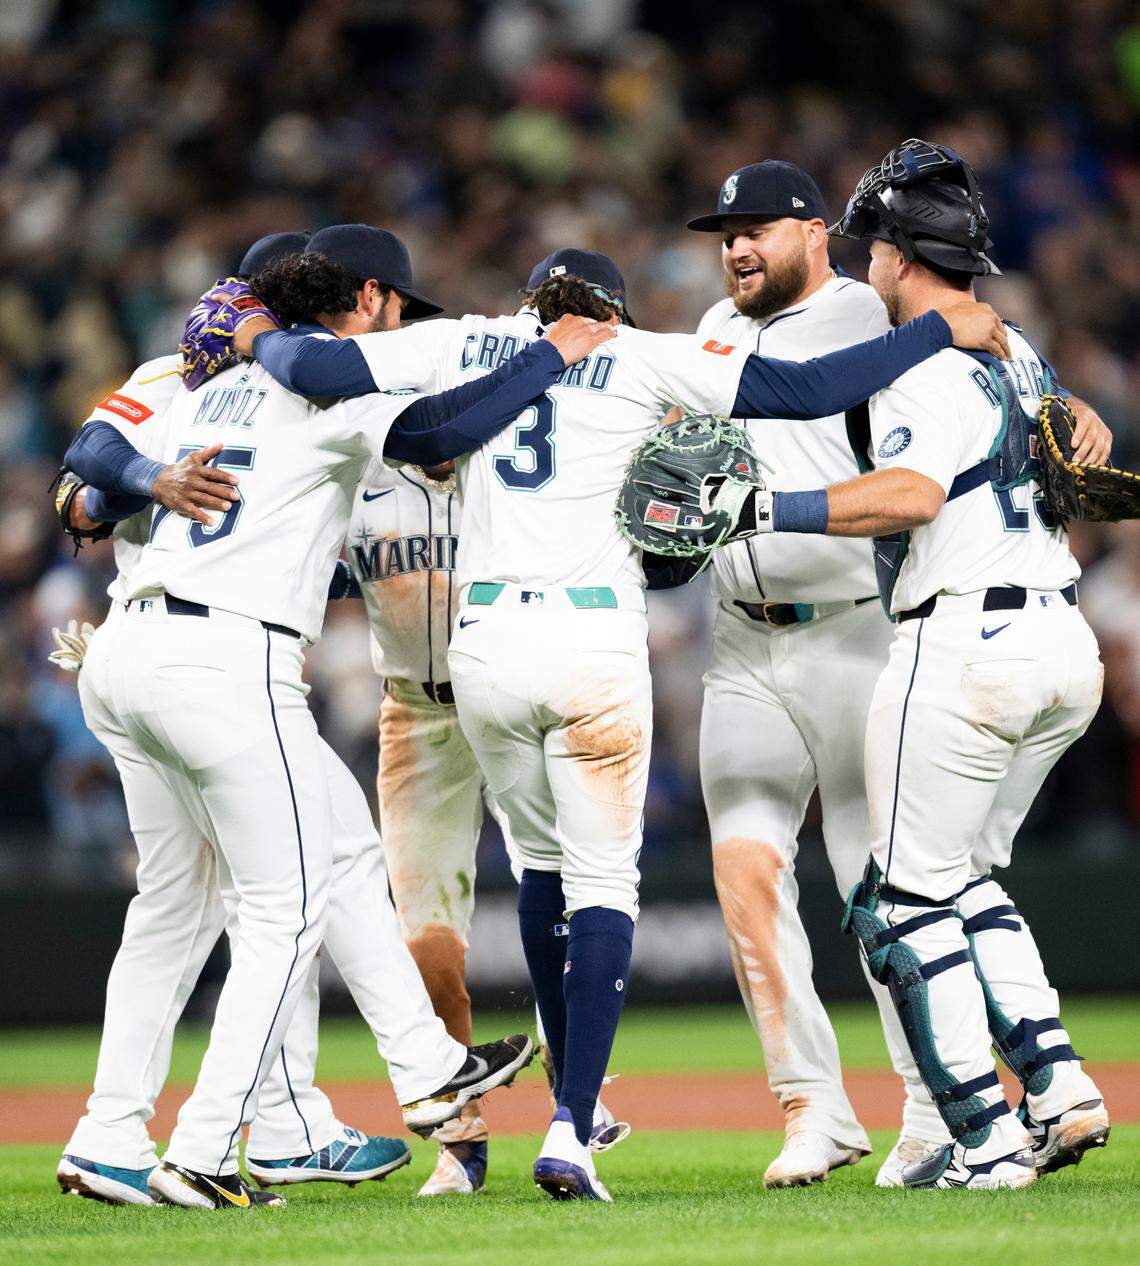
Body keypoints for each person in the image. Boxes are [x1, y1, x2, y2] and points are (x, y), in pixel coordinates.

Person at [236, 234, 1012, 1199]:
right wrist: (938, 329)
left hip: (479, 648)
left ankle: (544, 1115)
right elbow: (814, 388)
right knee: (603, 886)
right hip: (591, 643)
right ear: (610, 309)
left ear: (532, 303)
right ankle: (572, 1123)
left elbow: (311, 363)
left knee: (538, 871)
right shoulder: (642, 355)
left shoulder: (466, 342)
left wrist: (251, 319)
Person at [61, 227, 609, 1208]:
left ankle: (398, 1079)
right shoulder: (335, 382)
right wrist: (550, 355)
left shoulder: (200, 380)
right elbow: (442, 433)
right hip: (226, 657)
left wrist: (131, 484)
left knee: (293, 865)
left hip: (129, 649)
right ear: (367, 299)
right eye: (395, 304)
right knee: (282, 906)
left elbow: (87, 462)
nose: (400, 322)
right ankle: (210, 1143)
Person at [684, 162, 1113, 1186]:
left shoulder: (896, 337)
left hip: (929, 636)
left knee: (900, 894)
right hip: (1038, 630)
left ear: (856, 245)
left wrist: (763, 510)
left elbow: (906, 480)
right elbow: (1060, 431)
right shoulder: (1008, 344)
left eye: (760, 224)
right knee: (954, 878)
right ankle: (1052, 1084)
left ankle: (966, 1129)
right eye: (725, 228)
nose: (738, 243)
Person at [262, 234, 627, 1195]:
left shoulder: (499, 432)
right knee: (426, 935)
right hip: (411, 710)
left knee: (562, 879)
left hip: (500, 684)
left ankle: (579, 1085)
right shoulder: (354, 445)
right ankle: (461, 1141)